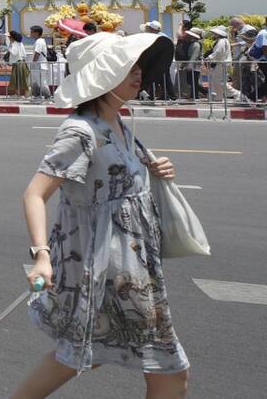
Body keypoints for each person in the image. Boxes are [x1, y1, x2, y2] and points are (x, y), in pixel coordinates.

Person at [16, 31, 188, 398]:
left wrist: (156, 168)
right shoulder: (81, 132)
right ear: (102, 77)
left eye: (138, 66)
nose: (138, 72)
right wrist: (41, 256)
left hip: (128, 266)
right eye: (128, 67)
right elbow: (34, 194)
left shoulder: (119, 124)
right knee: (170, 369)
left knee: (84, 350)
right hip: (104, 270)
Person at [29, 25, 51, 102]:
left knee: (42, 82)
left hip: (39, 65)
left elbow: (37, 53)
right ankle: (37, 96)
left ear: (36, 33)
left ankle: (48, 97)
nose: (30, 34)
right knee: (37, 82)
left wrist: (33, 63)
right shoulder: (41, 41)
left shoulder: (39, 42)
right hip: (39, 65)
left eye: (32, 32)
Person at [7, 30, 29, 98]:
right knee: (23, 79)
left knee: (16, 79)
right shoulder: (20, 43)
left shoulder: (14, 44)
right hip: (22, 63)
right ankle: (25, 94)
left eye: (9, 37)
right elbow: (24, 54)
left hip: (17, 64)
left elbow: (14, 53)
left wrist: (9, 48)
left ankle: (17, 94)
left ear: (11, 37)